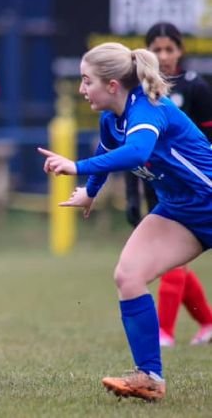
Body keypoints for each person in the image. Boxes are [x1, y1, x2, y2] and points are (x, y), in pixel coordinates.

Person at [38, 41, 212, 402]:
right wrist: (91, 190)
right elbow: (107, 149)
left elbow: (137, 152)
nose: (82, 89)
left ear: (113, 85)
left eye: (87, 81)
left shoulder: (147, 109)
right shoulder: (111, 119)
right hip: (181, 210)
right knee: (128, 276)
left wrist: (76, 167)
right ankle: (150, 377)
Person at [122, 22, 212, 348]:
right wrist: (131, 195)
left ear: (180, 51)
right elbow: (127, 151)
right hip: (155, 188)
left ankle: (164, 333)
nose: (163, 56)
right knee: (170, 262)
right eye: (156, 50)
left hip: (194, 190)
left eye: (169, 49)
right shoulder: (138, 96)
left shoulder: (194, 87)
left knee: (174, 263)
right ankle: (208, 321)